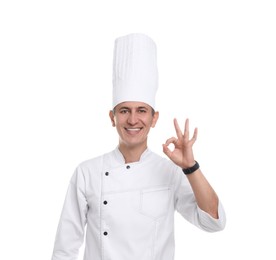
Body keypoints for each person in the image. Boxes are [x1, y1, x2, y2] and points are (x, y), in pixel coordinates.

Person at [51, 33, 226, 260]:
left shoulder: (170, 172)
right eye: (124, 110)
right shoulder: (87, 172)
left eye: (141, 110)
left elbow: (214, 221)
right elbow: (65, 248)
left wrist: (190, 166)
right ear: (112, 117)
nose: (133, 120)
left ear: (154, 119)